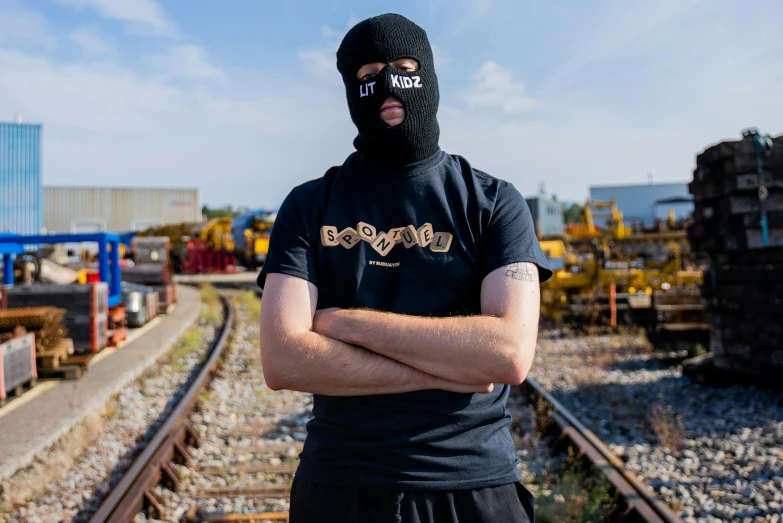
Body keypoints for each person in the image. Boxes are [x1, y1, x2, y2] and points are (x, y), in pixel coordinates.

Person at [258, 13, 552, 523]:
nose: (389, 83)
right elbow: (284, 361)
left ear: (429, 76)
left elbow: (507, 356)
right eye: (369, 71)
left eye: (404, 65)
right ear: (352, 90)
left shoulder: (493, 202)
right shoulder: (309, 206)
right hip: (340, 485)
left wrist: (344, 323)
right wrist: (453, 366)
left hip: (473, 487)